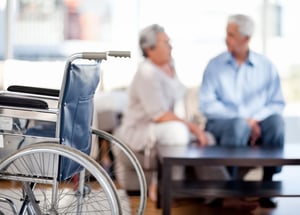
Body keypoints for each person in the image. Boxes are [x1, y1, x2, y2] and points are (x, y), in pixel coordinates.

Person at [115, 24, 258, 211]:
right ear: (149, 50)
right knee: (178, 132)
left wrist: (200, 127)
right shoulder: (146, 73)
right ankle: (168, 188)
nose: (170, 46)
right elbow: (159, 115)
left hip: (164, 128)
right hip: (141, 130)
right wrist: (194, 128)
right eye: (165, 43)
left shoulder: (169, 67)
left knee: (208, 139)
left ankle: (221, 194)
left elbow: (182, 96)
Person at [199, 14, 285, 208]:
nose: (226, 38)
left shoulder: (266, 66)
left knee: (276, 122)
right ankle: (229, 190)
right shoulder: (215, 65)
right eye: (226, 33)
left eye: (231, 34)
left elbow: (277, 103)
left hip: (257, 122)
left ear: (246, 39)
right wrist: (243, 120)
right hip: (223, 123)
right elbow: (206, 104)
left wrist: (255, 120)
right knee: (238, 126)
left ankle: (267, 187)